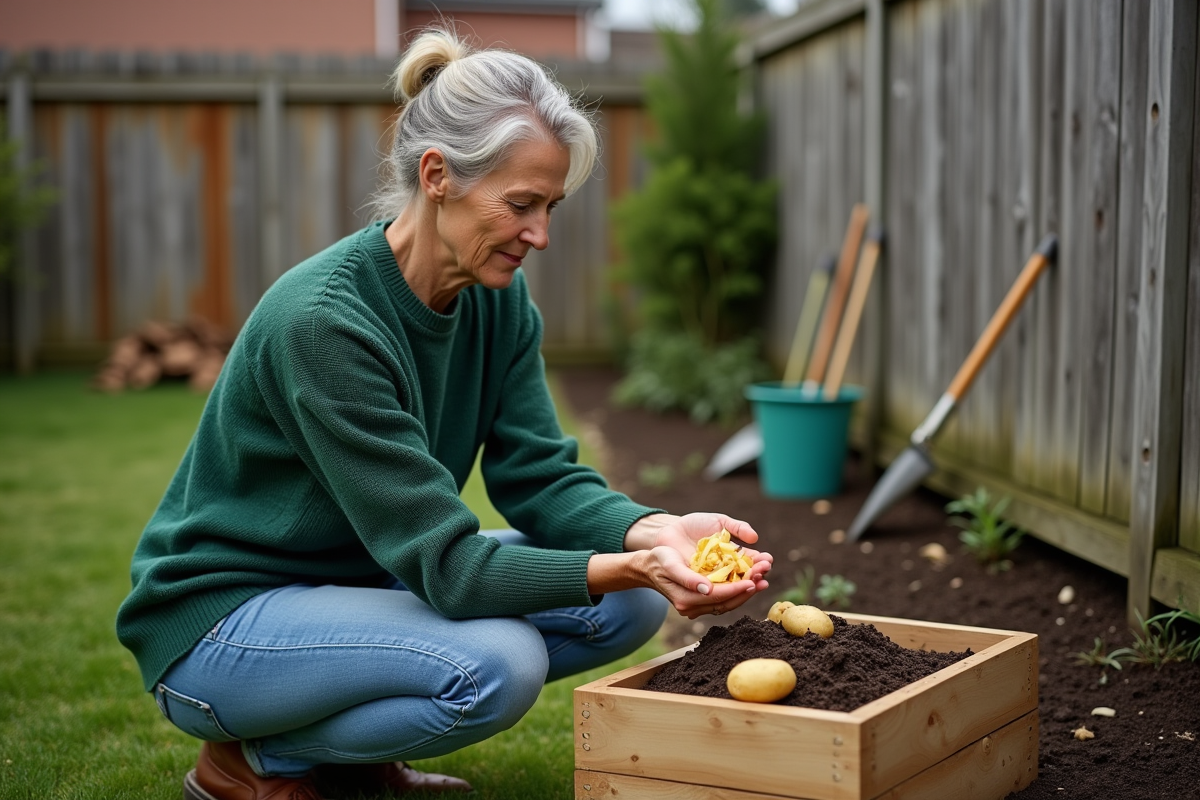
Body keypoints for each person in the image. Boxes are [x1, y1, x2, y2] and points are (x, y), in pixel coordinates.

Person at [116, 28, 773, 800]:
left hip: (361, 591)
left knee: (629, 604)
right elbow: (450, 568)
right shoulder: (327, 323)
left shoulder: (497, 303)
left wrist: (653, 535)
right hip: (223, 623)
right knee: (500, 662)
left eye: (551, 206)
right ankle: (252, 759)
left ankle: (356, 753)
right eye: (522, 204)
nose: (542, 235)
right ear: (437, 176)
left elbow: (538, 476)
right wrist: (626, 563)